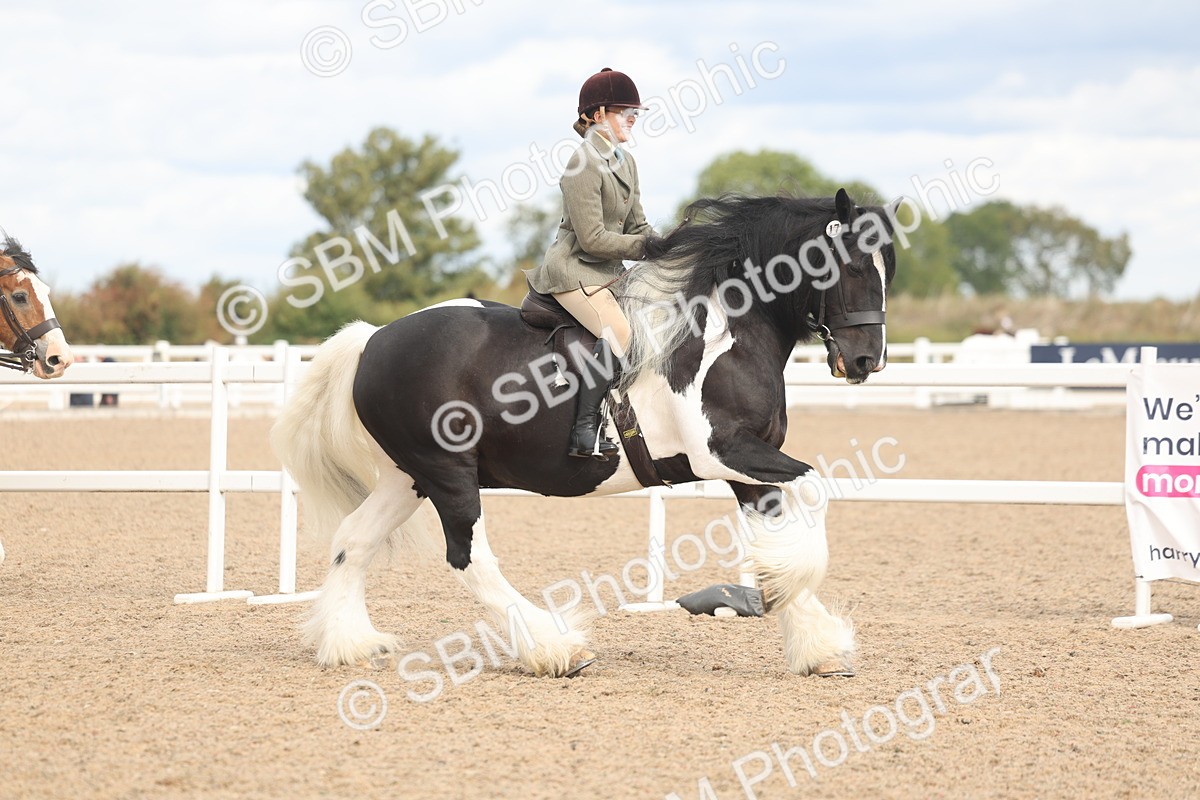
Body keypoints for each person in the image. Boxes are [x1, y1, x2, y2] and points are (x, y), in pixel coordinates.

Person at [525, 67, 657, 460]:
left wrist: (669, 245)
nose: (633, 117)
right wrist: (647, 249)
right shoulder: (581, 163)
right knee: (619, 332)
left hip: (610, 274)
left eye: (636, 111)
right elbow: (594, 240)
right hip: (574, 270)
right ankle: (585, 431)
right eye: (624, 110)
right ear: (598, 114)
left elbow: (639, 225)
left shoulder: (626, 162)